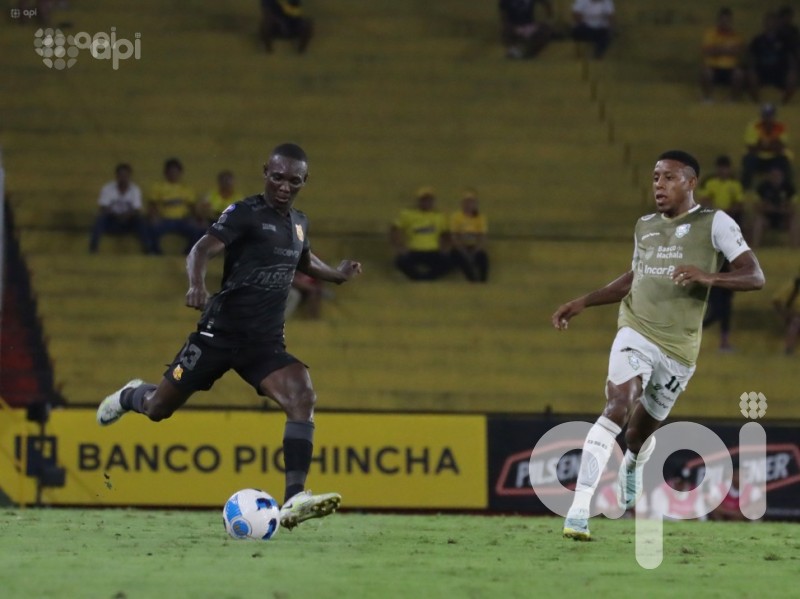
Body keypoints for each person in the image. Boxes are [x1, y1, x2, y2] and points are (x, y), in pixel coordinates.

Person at [96, 143, 362, 530]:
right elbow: (201, 249)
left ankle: (294, 499)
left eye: (294, 181)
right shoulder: (244, 212)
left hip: (263, 344)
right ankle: (129, 395)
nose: (284, 186)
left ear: (305, 181)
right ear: (265, 172)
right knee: (157, 409)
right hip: (217, 335)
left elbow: (303, 259)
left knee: (302, 395)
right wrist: (195, 284)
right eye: (277, 177)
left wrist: (337, 274)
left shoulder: (299, 222)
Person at [554, 150, 765, 541]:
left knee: (637, 435)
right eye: (655, 178)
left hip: (679, 350)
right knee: (618, 405)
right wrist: (585, 300)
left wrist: (709, 277)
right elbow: (635, 276)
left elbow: (755, 276)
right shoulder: (645, 226)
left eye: (669, 177)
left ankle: (633, 464)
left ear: (691, 182)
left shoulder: (715, 223)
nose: (659, 185)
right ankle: (579, 510)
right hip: (635, 329)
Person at [390, 187, 451, 281]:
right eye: (424, 200)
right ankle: (419, 278)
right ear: (419, 201)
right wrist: (399, 247)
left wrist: (444, 248)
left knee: (450, 261)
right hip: (413, 251)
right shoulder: (408, 214)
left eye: (429, 200)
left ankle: (426, 278)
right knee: (400, 261)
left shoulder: (439, 216)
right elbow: (395, 229)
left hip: (433, 251)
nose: (427, 202)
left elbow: (446, 234)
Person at [147, 158, 205, 255]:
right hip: (164, 219)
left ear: (180, 173)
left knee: (197, 230)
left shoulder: (186, 188)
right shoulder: (158, 187)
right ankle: (156, 253)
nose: (173, 174)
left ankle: (188, 253)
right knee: (151, 228)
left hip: (182, 220)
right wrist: (153, 217)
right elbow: (152, 205)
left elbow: (192, 207)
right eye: (170, 172)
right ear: (166, 173)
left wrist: (198, 219)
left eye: (175, 172)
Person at [88, 163, 149, 254]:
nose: (123, 178)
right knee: (100, 218)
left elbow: (137, 209)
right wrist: (117, 215)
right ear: (116, 176)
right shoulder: (107, 188)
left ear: (129, 176)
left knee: (140, 219)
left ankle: (147, 248)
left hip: (128, 222)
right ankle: (93, 247)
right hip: (112, 221)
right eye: (121, 175)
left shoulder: (135, 189)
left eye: (126, 175)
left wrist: (126, 216)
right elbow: (103, 207)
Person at [747, 11, 798, 105]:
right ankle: (757, 104)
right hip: (762, 71)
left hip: (779, 72)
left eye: (773, 21)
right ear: (765, 23)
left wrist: (792, 70)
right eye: (769, 21)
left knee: (792, 77)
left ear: (776, 23)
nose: (771, 24)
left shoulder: (785, 40)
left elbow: (791, 57)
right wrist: (751, 69)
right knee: (751, 75)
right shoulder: (757, 40)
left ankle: (783, 104)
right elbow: (751, 57)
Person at [740, 103, 793, 191]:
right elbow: (751, 147)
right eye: (765, 115)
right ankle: (744, 189)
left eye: (770, 115)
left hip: (774, 158)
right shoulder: (753, 126)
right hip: (757, 158)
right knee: (748, 160)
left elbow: (781, 147)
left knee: (784, 161)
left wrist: (762, 144)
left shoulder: (781, 126)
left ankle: (788, 190)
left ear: (774, 116)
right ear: (761, 115)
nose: (768, 118)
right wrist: (773, 143)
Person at [700, 7, 746, 103]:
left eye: (727, 20)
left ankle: (732, 101)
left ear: (731, 21)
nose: (724, 23)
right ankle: (708, 99)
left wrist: (718, 49)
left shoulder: (736, 36)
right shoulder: (710, 33)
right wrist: (727, 49)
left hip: (730, 68)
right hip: (713, 66)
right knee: (706, 72)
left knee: (739, 74)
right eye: (722, 20)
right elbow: (708, 51)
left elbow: (738, 52)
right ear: (718, 20)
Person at [751, 165, 799, 248]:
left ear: (782, 176)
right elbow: (756, 206)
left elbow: (793, 208)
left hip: (783, 219)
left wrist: (783, 209)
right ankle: (755, 247)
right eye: (773, 175)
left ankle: (795, 248)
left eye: (777, 175)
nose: (775, 178)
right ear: (769, 176)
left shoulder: (789, 188)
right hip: (768, 219)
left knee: (795, 220)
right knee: (758, 220)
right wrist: (766, 208)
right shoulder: (762, 188)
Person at [450, 189, 489, 282]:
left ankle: (483, 281)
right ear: (462, 203)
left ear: (475, 204)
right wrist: (465, 252)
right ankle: (472, 280)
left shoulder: (480, 218)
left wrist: (474, 252)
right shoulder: (456, 217)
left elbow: (482, 238)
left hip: (473, 247)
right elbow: (455, 237)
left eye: (471, 202)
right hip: (460, 247)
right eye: (466, 201)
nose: (468, 204)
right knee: (460, 256)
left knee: (483, 257)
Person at [698, 155, 746, 227]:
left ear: (729, 169)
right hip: (712, 212)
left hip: (730, 214)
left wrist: (728, 211)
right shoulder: (709, 182)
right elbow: (705, 200)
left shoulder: (736, 184)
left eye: (725, 168)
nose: (722, 171)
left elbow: (739, 203)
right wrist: (716, 211)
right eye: (720, 168)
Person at [772, 271, 800, 354]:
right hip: (796, 316)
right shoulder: (795, 285)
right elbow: (777, 300)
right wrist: (784, 315)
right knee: (795, 324)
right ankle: (788, 350)